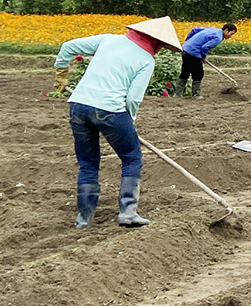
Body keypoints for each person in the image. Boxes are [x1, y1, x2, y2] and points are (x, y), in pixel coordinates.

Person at [52, 17, 183, 229]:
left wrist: (61, 74)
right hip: (110, 111)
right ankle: (128, 213)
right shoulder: (146, 60)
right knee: (132, 157)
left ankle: (84, 219)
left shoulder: (108, 40)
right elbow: (132, 99)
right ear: (157, 43)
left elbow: (68, 47)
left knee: (88, 163)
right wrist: (129, 121)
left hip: (78, 105)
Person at [178, 22, 237, 99]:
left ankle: (178, 94)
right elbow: (204, 47)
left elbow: (194, 30)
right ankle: (196, 94)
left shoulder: (212, 29)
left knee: (185, 72)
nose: (230, 36)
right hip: (194, 52)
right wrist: (203, 56)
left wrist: (188, 42)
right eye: (231, 34)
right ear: (226, 30)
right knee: (198, 73)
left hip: (185, 49)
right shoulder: (218, 38)